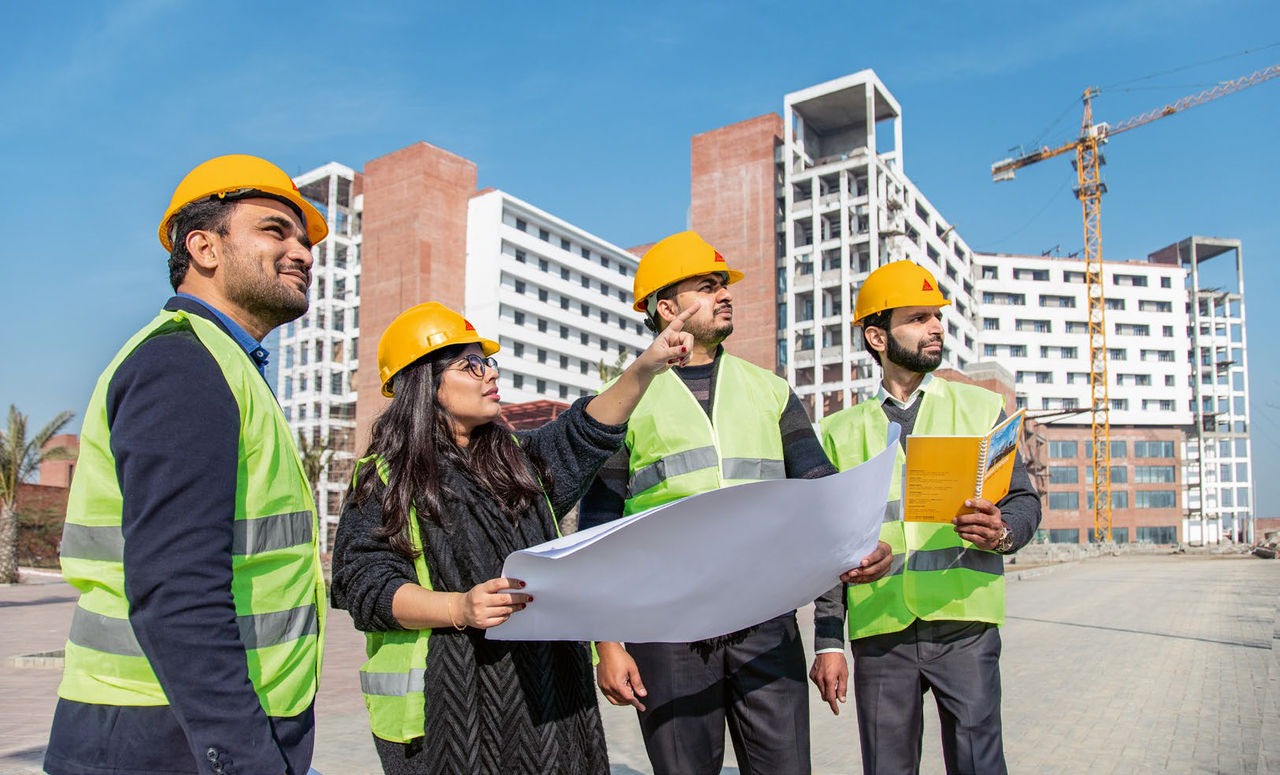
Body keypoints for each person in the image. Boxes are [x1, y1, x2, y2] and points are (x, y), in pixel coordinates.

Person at [46, 155, 331, 775]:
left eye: (304, 239)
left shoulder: (225, 365)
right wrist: (241, 756)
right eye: (275, 230)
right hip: (167, 735)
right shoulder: (184, 366)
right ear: (203, 246)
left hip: (191, 724)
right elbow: (176, 589)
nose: (303, 252)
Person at [329, 299, 697, 774]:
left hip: (548, 700)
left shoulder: (518, 461)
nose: (491, 375)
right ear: (426, 381)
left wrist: (646, 367)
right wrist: (457, 608)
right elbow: (363, 585)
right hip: (448, 708)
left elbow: (587, 431)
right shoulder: (383, 477)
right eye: (473, 364)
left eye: (490, 363)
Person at [578, 230, 891, 775]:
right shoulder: (623, 398)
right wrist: (605, 644)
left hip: (765, 620)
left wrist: (863, 543)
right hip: (666, 627)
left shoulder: (770, 391)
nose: (724, 294)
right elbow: (598, 528)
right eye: (706, 286)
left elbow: (821, 489)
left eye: (724, 285)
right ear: (667, 307)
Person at [813, 260, 1042, 774]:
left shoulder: (982, 410)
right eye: (918, 318)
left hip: (965, 624)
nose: (936, 327)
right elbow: (827, 547)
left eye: (937, 316)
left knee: (979, 764)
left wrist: (1002, 534)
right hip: (880, 632)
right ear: (877, 336)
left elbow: (1025, 502)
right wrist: (829, 642)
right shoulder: (837, 432)